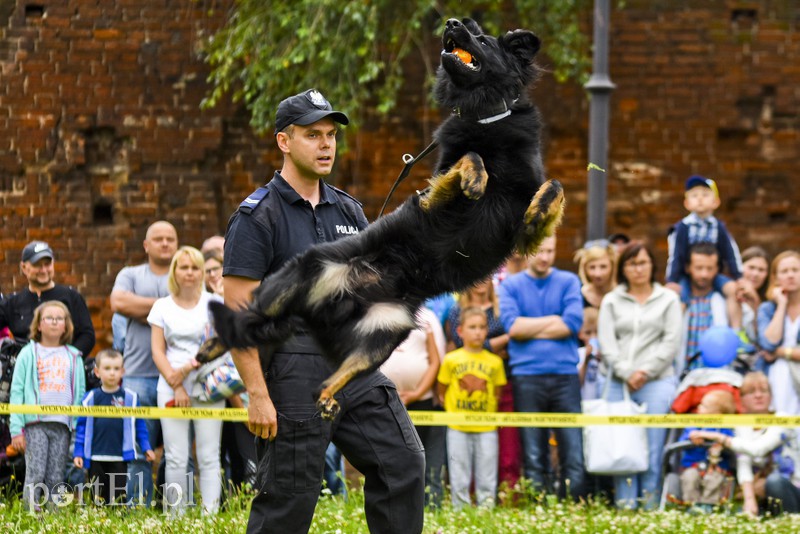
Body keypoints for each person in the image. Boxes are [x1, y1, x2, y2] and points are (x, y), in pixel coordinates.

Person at [222, 88, 424, 533]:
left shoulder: (349, 208)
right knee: (290, 501)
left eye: (331, 134)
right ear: (284, 141)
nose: (326, 144)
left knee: (402, 463)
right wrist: (257, 394)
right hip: (293, 369)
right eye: (313, 135)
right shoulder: (259, 217)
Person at [498, 234, 585, 500]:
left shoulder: (569, 281)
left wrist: (530, 326)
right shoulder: (511, 285)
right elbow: (512, 327)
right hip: (527, 376)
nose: (545, 257)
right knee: (533, 451)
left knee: (572, 448)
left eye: (550, 251)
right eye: (540, 250)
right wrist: (553, 321)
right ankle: (538, 506)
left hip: (565, 376)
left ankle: (570, 506)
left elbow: (572, 324)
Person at [597, 241, 682, 510]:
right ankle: (625, 506)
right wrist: (626, 372)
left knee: (653, 446)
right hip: (618, 383)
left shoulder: (668, 299)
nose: (638, 269)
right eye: (632, 263)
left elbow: (671, 342)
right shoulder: (612, 299)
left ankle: (649, 506)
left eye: (643, 262)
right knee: (623, 444)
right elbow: (606, 342)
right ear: (624, 269)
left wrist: (645, 372)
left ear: (652, 266)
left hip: (657, 381)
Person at [148, 246, 224, 514]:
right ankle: (176, 516)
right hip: (169, 388)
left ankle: (210, 516)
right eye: (184, 267)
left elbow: (221, 342)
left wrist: (191, 366)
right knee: (177, 457)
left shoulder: (215, 303)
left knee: (209, 456)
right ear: (174, 272)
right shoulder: (162, 306)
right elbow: (157, 350)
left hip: (209, 386)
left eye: (195, 267)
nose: (189, 272)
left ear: (202, 271)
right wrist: (177, 384)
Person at [110, 220, 178, 505]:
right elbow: (119, 302)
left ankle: (172, 504)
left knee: (176, 450)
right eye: (158, 238)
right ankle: (138, 507)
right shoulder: (131, 273)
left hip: (177, 378)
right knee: (139, 448)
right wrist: (169, 308)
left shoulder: (184, 274)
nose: (165, 243)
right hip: (138, 375)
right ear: (146, 245)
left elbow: (194, 308)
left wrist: (145, 310)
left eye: (170, 239)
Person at [9, 301, 86, 510]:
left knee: (56, 475)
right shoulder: (28, 352)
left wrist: (78, 426)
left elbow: (79, 394)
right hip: (35, 424)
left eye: (59, 318)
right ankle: (31, 516)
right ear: (39, 325)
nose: (54, 322)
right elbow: (16, 391)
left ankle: (53, 520)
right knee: (35, 473)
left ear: (66, 326)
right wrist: (16, 430)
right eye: (49, 318)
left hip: (62, 425)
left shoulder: (73, 356)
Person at [689, 371, 800, 516]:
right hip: (758, 490)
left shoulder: (783, 419)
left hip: (791, 488)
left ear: (771, 396)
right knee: (738, 509)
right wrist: (750, 499)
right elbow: (744, 462)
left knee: (774, 482)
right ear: (741, 400)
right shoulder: (741, 426)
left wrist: (718, 437)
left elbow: (757, 449)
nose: (758, 395)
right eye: (751, 392)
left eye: (763, 390)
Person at [444, 276, 518, 490]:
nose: (482, 281)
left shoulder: (501, 307)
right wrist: (499, 342)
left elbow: (513, 336)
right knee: (464, 454)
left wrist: (492, 346)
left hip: (500, 382)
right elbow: (460, 344)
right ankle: (469, 499)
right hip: (463, 391)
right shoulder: (457, 310)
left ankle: (504, 496)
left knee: (504, 449)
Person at [437, 306, 507, 509]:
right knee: (459, 470)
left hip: (486, 428)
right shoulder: (451, 360)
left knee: (487, 470)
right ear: (460, 331)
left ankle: (487, 507)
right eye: (472, 327)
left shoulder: (495, 362)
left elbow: (497, 392)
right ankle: (461, 509)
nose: (478, 332)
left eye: (482, 327)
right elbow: (442, 388)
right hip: (457, 427)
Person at [381, 305, 446, 507]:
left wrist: (416, 393)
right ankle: (397, 503)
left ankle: (429, 504)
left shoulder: (428, 317)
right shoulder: (382, 314)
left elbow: (437, 361)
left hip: (423, 401)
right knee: (392, 457)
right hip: (384, 400)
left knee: (422, 457)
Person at [73, 349, 155, 505]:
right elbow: (81, 427)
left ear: (123, 372)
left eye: (116, 369)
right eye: (107, 368)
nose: (112, 373)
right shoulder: (90, 398)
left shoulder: (130, 398)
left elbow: (140, 425)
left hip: (119, 457)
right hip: (95, 457)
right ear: (97, 372)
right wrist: (78, 452)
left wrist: (146, 447)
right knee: (98, 499)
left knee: (118, 499)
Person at [665, 175, 742, 330]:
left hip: (713, 274)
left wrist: (739, 277)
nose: (700, 199)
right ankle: (675, 333)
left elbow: (730, 253)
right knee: (679, 297)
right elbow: (676, 256)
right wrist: (672, 280)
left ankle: (737, 332)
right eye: (694, 196)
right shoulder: (682, 227)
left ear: (716, 202)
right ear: (687, 203)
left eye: (705, 195)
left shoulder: (719, 227)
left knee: (733, 290)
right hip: (688, 275)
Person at [0, 241, 95, 358]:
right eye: (37, 265)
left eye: (47, 264)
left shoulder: (71, 296)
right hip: (26, 369)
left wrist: (68, 358)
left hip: (65, 370)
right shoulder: (13, 302)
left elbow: (87, 336)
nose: (44, 270)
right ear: (24, 267)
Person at [680, 242, 738, 375]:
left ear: (717, 269)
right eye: (699, 268)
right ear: (688, 267)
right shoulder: (679, 301)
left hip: (718, 375)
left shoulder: (726, 301)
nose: (704, 274)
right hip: (683, 375)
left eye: (709, 268)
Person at [756, 250, 800, 414]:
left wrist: (780, 352)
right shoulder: (768, 309)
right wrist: (781, 305)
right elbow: (769, 343)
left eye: (795, 270)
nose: (791, 275)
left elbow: (774, 349)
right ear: (775, 277)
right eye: (784, 271)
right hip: (777, 376)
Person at [678, 389, 736, 507]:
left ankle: (708, 506)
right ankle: (691, 505)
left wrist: (718, 442)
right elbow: (680, 443)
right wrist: (690, 438)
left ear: (717, 414)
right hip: (693, 467)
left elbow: (731, 445)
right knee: (690, 478)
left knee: (714, 480)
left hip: (717, 469)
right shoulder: (693, 427)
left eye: (704, 406)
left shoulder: (724, 431)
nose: (699, 407)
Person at [736, 246, 771, 370]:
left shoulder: (770, 302)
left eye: (761, 270)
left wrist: (755, 300)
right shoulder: (729, 295)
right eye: (751, 268)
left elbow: (762, 339)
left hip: (757, 363)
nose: (755, 274)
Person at [574, 239, 617, 310]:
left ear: (612, 267)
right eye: (592, 267)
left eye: (603, 267)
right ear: (584, 269)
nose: (597, 274)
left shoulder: (622, 294)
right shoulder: (577, 295)